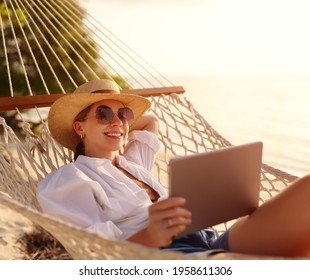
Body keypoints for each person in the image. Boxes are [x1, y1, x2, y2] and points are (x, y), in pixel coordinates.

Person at [37, 79, 310, 257]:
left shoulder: (132, 163)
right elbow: (89, 252)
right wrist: (152, 234)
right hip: (166, 256)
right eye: (103, 114)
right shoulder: (68, 180)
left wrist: (119, 122)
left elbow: (151, 121)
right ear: (79, 127)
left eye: (124, 114)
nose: (117, 122)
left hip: (205, 236)